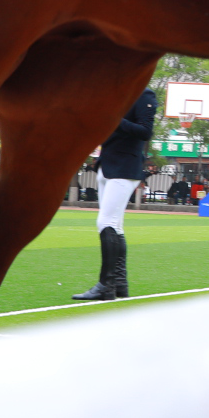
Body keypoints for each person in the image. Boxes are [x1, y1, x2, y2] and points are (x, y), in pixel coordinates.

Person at [74, 88, 156, 302]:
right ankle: (119, 284)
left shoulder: (144, 95)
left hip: (125, 165)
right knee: (115, 226)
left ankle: (106, 285)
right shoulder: (115, 95)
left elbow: (146, 131)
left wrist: (114, 119)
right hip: (108, 164)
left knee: (106, 222)